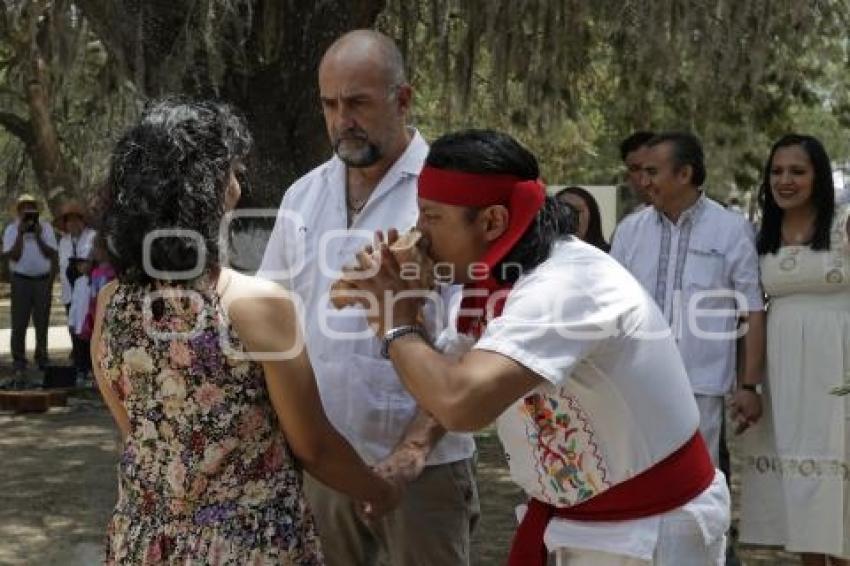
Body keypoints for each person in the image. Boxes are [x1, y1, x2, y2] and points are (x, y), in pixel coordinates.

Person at [342, 128, 730, 565]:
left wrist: (395, 321)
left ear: (492, 222)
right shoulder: (492, 284)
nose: (419, 234)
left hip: (648, 531)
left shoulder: (567, 285)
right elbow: (455, 373)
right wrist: (413, 450)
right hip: (585, 526)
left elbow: (461, 402)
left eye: (431, 217)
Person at [93, 99, 399, 564]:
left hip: (146, 538)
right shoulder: (255, 304)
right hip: (244, 543)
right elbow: (312, 445)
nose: (239, 186)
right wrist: (380, 489)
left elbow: (135, 427)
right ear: (210, 187)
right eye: (233, 172)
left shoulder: (111, 303)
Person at [258, 30, 478, 566]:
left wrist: (414, 448)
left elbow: (471, 338)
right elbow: (273, 319)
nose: (341, 120)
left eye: (357, 102)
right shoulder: (303, 194)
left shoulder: (453, 196)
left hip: (422, 472)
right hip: (324, 467)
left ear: (403, 99)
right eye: (329, 105)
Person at [610, 132, 766, 467]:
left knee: (695, 485)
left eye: (653, 172)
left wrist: (749, 386)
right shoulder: (629, 231)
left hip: (699, 383)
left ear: (685, 174)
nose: (643, 181)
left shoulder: (730, 229)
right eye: (640, 172)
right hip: (635, 381)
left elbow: (752, 310)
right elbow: (611, 308)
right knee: (636, 478)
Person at [739, 134, 850, 565]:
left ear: (818, 176)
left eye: (797, 171)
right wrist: (749, 383)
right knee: (799, 482)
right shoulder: (761, 233)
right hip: (784, 371)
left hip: (839, 364)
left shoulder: (844, 221)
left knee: (840, 481)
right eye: (777, 171)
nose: (785, 180)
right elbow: (755, 313)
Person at [1, 193, 58, 375]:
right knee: (19, 320)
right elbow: (14, 256)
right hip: (21, 280)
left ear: (35, 210)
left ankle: (42, 356)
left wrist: (39, 236)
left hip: (42, 279)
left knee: (42, 320)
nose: (27, 210)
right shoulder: (12, 229)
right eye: (24, 207)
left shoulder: (46, 228)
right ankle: (19, 359)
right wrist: (20, 234)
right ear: (19, 211)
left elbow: (51, 253)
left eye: (31, 206)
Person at [56, 199, 96, 374]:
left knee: (88, 328)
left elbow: (94, 261)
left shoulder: (92, 236)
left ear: (82, 220)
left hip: (88, 290)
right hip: (69, 291)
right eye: (68, 220)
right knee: (73, 329)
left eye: (76, 219)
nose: (72, 223)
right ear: (65, 223)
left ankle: (91, 366)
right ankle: (79, 366)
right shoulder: (63, 242)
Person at [555, 186, 610, 251]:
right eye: (564, 210)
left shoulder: (610, 255)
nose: (571, 217)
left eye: (577, 211)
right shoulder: (544, 255)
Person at [620, 131, 655, 213]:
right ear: (628, 176)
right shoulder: (630, 220)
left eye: (651, 168)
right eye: (635, 169)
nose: (644, 176)